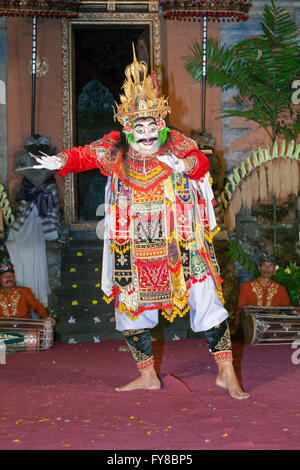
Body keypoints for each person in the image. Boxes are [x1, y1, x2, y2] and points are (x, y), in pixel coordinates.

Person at [33, 46, 249, 399]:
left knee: (206, 295)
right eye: (140, 127)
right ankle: (147, 375)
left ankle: (226, 371)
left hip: (181, 238)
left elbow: (200, 163)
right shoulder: (115, 149)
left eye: (153, 126)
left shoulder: (176, 143)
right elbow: (84, 155)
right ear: (128, 128)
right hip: (131, 242)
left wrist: (186, 166)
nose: (147, 134)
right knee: (129, 307)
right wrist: (58, 161)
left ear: (161, 125)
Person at [234, 252, 291, 330]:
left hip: (274, 330)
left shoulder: (281, 289)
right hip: (251, 330)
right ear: (259, 268)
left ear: (274, 269)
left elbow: (288, 311)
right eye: (264, 265)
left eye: (270, 266)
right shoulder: (246, 287)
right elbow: (240, 311)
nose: (267, 268)